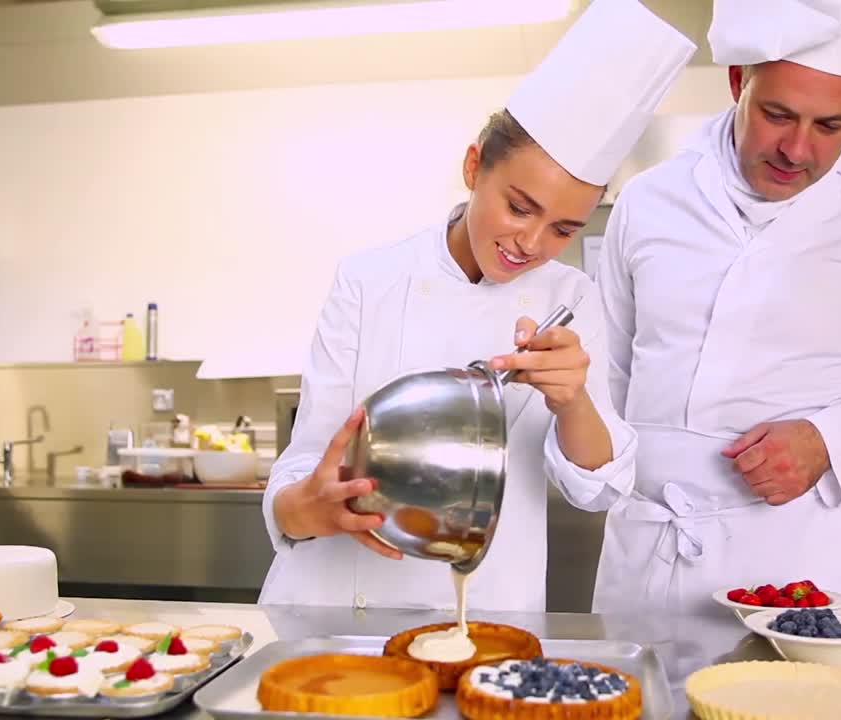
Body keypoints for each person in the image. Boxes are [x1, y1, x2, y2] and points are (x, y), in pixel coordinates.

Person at [257, 0, 695, 612]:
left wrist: (571, 399)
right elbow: (307, 455)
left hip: (483, 608)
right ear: (473, 167)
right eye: (520, 207)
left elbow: (597, 489)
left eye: (564, 229)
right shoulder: (369, 279)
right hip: (336, 603)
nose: (532, 244)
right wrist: (305, 507)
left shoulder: (570, 301)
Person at [589, 0, 841, 623]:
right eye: (777, 115)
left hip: (806, 557)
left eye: (831, 126)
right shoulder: (648, 200)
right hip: (649, 558)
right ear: (736, 83)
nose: (797, 149)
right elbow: (609, 373)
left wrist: (825, 443)